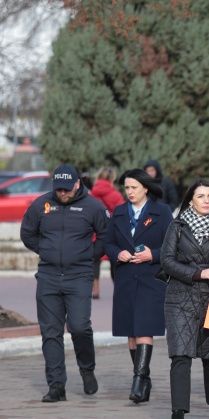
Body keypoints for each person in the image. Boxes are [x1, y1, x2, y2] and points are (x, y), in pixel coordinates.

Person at [21, 165, 110, 402]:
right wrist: (46, 250)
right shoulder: (41, 204)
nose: (62, 193)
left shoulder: (93, 206)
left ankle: (87, 368)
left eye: (67, 189)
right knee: (51, 332)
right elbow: (27, 233)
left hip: (79, 275)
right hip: (48, 275)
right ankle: (56, 385)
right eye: (58, 189)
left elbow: (105, 235)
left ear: (78, 184)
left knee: (80, 326)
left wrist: (88, 256)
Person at [161, 179, 209, 419]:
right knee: (180, 356)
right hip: (180, 297)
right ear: (190, 200)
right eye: (200, 196)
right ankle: (177, 416)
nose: (206, 200)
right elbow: (166, 261)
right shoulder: (177, 225)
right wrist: (197, 272)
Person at [104, 169, 172, 404]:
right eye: (127, 188)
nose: (129, 192)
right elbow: (108, 243)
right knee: (131, 334)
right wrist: (117, 253)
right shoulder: (119, 211)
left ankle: (138, 378)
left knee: (144, 329)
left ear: (145, 188)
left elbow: (172, 247)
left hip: (150, 280)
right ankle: (144, 380)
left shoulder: (162, 212)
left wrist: (151, 255)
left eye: (134, 187)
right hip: (124, 279)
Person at [89, 167, 124, 299]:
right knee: (115, 263)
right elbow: (121, 215)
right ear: (112, 179)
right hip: (112, 233)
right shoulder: (116, 195)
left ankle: (96, 290)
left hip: (95, 233)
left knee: (95, 262)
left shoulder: (91, 195)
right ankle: (118, 289)